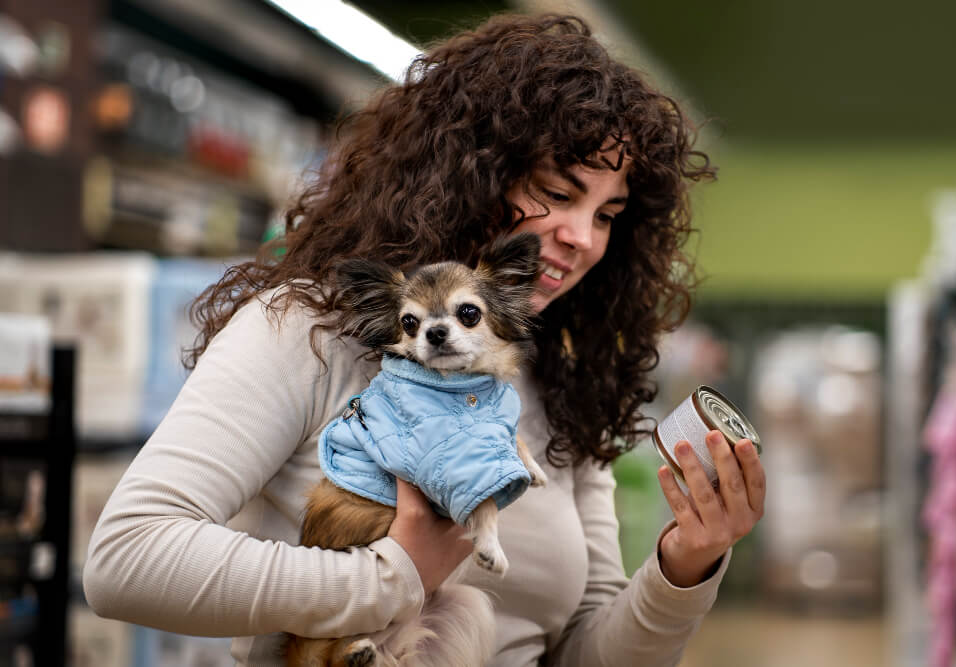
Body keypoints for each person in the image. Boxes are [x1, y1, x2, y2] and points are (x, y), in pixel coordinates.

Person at [83, 13, 766, 667]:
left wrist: (684, 565)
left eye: (607, 214)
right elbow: (127, 556)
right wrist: (392, 576)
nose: (582, 237)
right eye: (557, 192)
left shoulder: (559, 383)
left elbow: (583, 651)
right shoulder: (308, 331)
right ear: (469, 171)